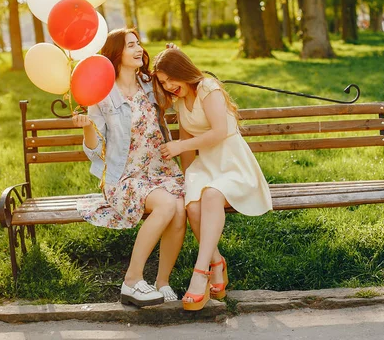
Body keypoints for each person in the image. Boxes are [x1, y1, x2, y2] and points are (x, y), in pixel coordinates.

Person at [72, 29, 186, 308]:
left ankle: (162, 282)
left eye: (138, 44)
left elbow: (180, 87)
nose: (138, 49)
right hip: (124, 178)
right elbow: (93, 148)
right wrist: (87, 126)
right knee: (167, 205)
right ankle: (132, 281)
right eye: (130, 45)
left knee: (179, 208)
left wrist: (175, 57)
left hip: (161, 171)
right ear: (116, 54)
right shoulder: (102, 94)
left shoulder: (149, 83)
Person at [152, 49, 273, 311]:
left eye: (170, 78)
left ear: (183, 72)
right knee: (193, 204)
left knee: (212, 195)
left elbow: (218, 132)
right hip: (205, 165)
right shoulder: (179, 100)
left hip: (231, 163)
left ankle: (200, 272)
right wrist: (187, 178)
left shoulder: (208, 88)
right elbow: (186, 143)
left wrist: (179, 146)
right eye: (162, 82)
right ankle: (217, 262)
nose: (168, 86)